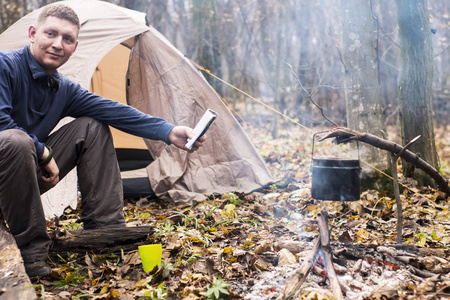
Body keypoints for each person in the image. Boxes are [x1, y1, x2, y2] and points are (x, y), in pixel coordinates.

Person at [0, 4, 205, 278]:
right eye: (51, 34)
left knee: (92, 127)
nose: (58, 44)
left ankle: (107, 232)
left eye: (68, 39)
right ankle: (31, 254)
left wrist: (168, 131)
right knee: (16, 141)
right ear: (32, 33)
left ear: (75, 47)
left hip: (23, 179)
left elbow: (115, 111)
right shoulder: (5, 66)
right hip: (8, 163)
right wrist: (44, 154)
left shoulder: (63, 89)